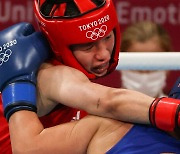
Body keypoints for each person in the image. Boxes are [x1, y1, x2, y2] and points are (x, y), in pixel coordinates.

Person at [0, 0, 179, 153]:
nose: (103, 54)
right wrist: (175, 112)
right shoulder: (50, 76)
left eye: (107, 37)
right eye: (88, 46)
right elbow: (107, 101)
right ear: (59, 44)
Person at [120, 21, 172, 97]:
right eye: (136, 63)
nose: (145, 71)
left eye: (153, 63)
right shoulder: (100, 108)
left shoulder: (177, 108)